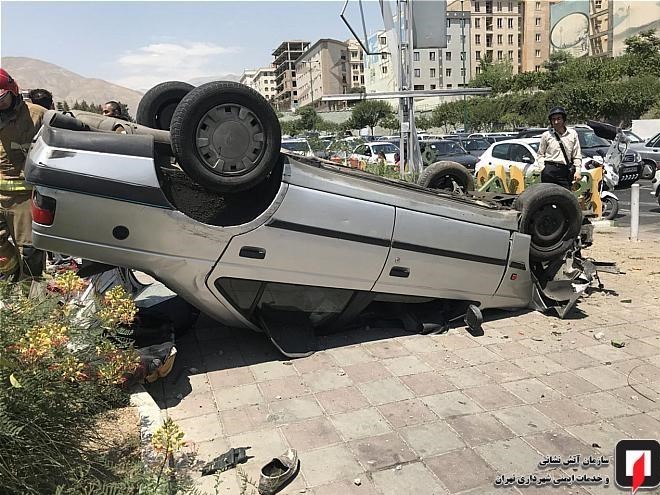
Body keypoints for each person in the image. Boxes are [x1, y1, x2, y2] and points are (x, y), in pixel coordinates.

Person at [0, 68, 46, 279]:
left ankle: (32, 294)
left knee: (29, 251)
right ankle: (12, 279)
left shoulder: (37, 114)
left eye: (2, 97)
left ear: (12, 90)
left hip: (25, 197)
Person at [537, 106, 582, 189]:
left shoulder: (572, 134)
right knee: (547, 195)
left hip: (565, 170)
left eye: (558, 119)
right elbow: (540, 154)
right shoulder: (546, 135)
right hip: (549, 170)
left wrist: (578, 171)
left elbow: (576, 155)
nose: (556, 122)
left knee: (566, 195)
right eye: (553, 119)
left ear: (563, 119)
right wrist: (543, 169)